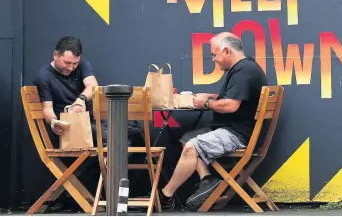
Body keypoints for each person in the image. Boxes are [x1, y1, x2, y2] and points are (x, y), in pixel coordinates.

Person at [158, 32, 268, 211]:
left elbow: (231, 106)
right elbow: (235, 98)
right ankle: (207, 180)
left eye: (214, 55)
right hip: (238, 130)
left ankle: (166, 195)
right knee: (187, 138)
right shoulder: (246, 68)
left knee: (191, 147)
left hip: (238, 135)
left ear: (226, 51)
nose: (213, 60)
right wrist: (209, 96)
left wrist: (206, 103)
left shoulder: (243, 71)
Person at [33, 36, 145, 202]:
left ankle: (122, 190)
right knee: (113, 136)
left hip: (93, 124)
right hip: (69, 129)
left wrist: (81, 100)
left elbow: (92, 85)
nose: (71, 68)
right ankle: (114, 193)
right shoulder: (44, 77)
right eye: (67, 63)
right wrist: (54, 122)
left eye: (74, 64)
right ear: (55, 55)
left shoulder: (82, 65)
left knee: (134, 132)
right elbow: (47, 110)